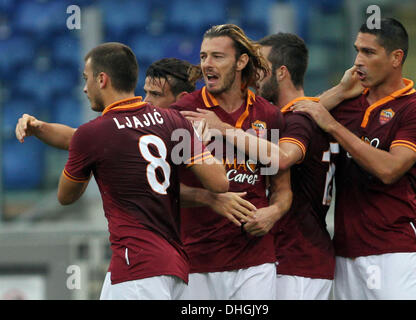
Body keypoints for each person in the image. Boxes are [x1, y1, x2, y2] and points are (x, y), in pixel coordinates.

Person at [51, 42, 232, 299]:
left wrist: (88, 160)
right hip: (173, 267)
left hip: (137, 266)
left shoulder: (91, 134)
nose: (84, 87)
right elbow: (220, 182)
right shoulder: (172, 120)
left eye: (86, 78)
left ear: (102, 79)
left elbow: (65, 196)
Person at [293, 18, 416, 299]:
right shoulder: (346, 104)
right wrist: (339, 91)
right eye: (357, 50)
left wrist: (334, 126)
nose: (358, 61)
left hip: (394, 253)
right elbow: (295, 125)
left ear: (396, 57)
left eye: (369, 52)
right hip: (345, 253)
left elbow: (389, 169)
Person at [172, 24, 292, 300]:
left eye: (217, 56)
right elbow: (164, 189)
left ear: (241, 61)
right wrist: (209, 198)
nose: (207, 64)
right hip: (196, 261)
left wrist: (272, 214)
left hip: (255, 260)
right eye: (203, 57)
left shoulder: (268, 115)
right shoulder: (183, 114)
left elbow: (283, 190)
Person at [254, 32, 337, 300]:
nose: (254, 76)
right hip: (296, 256)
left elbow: (284, 157)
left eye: (261, 68)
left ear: (281, 73)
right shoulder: (305, 113)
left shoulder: (297, 121)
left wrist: (226, 132)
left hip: (299, 260)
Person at [15, 57, 202, 150]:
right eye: (146, 92)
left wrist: (209, 198)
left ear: (182, 98)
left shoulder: (205, 132)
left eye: (155, 94)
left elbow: (220, 183)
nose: (147, 101)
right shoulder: (145, 127)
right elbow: (76, 138)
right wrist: (39, 127)